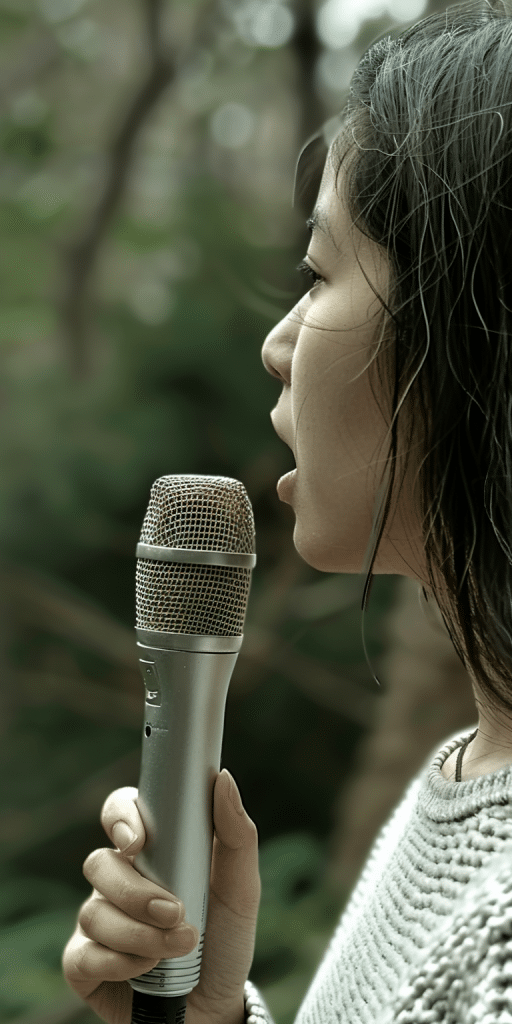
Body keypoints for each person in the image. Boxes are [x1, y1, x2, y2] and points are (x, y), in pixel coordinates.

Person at [62, 0, 512, 1020]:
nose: (277, 343)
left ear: (470, 330)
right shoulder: (456, 779)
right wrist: (214, 1006)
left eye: (316, 274)